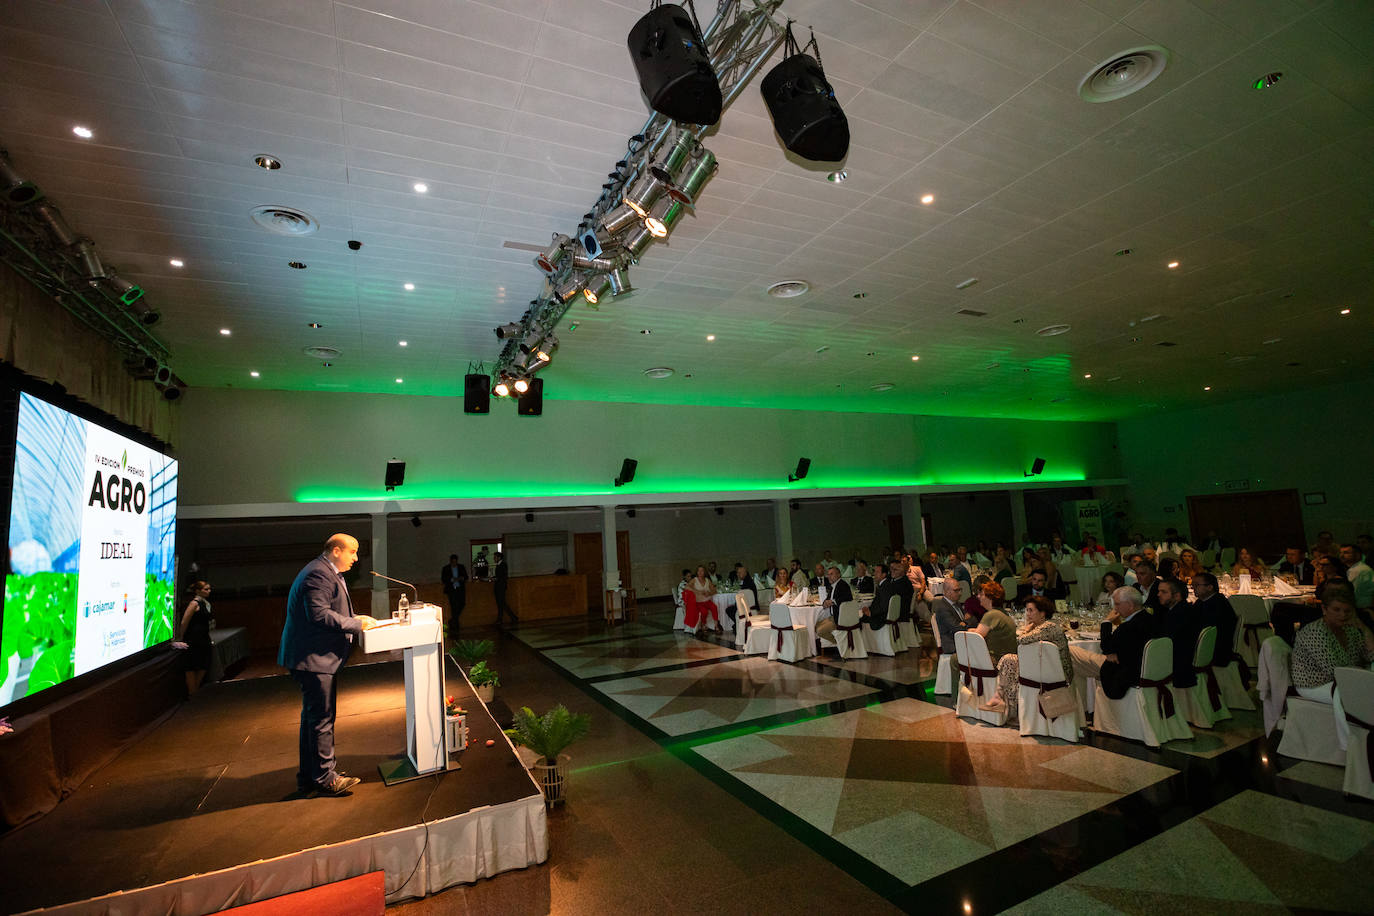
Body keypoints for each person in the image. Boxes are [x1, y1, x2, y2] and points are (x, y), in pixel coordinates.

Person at [279, 534, 375, 797]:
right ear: (336, 551)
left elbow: (330, 609)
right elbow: (319, 614)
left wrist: (357, 617)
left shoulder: (324, 571)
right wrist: (356, 625)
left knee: (313, 720)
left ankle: (311, 776)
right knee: (321, 720)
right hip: (313, 659)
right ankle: (325, 779)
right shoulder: (318, 574)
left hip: (314, 659)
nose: (356, 558)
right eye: (352, 552)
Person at [986, 595, 1072, 716]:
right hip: (1044, 668)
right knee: (1010, 660)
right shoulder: (1039, 627)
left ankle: (1005, 703)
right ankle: (1003, 700)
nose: (1027, 614)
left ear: (1042, 613)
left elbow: (1021, 640)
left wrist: (1026, 629)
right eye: (1027, 610)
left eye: (1031, 610)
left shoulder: (1048, 627)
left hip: (1058, 673)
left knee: (1009, 660)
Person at [1291, 582, 1374, 704]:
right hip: (1314, 685)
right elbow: (1335, 671)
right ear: (1324, 609)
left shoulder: (1350, 629)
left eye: (1347, 611)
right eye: (1336, 610)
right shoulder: (1315, 632)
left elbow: (1369, 657)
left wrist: (1364, 629)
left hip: (1345, 680)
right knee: (1361, 697)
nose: (1342, 615)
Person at [1070, 587, 1153, 699]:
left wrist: (1107, 621)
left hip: (1123, 672)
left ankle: (1081, 705)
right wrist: (1112, 651)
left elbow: (1106, 646)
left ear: (1130, 605)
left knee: (1071, 651)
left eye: (1118, 604)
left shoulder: (1128, 627)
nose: (1115, 608)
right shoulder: (1151, 619)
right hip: (1144, 669)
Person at [1153, 578, 1200, 689]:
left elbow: (1165, 643)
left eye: (1164, 592)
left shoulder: (1178, 615)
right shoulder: (1183, 609)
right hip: (1183, 659)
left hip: (1179, 665)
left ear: (1177, 596)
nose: (1158, 594)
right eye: (1159, 591)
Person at [174, 580, 214, 695]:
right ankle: (193, 692)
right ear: (198, 591)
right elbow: (184, 622)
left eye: (209, 589)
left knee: (204, 664)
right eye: (206, 589)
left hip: (203, 638)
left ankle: (195, 690)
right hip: (193, 639)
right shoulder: (194, 604)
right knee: (191, 666)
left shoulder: (206, 603)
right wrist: (180, 637)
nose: (209, 591)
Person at [1191, 572, 1237, 667]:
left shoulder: (1218, 605)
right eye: (1193, 585)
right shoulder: (1203, 601)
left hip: (1215, 650)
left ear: (1210, 587)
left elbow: (1203, 629)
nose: (1193, 587)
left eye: (1197, 585)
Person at [972, 582, 1016, 662]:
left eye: (982, 594)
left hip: (995, 660)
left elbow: (975, 639)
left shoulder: (991, 615)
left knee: (955, 659)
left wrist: (969, 631)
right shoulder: (1002, 613)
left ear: (990, 598)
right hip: (1007, 659)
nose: (978, 596)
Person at [934, 576, 970, 656]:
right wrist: (964, 623)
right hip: (952, 644)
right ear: (946, 591)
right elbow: (957, 628)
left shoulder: (956, 603)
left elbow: (972, 619)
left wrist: (963, 623)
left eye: (960, 590)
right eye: (956, 590)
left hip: (961, 640)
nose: (960, 593)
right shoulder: (943, 608)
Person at [1338, 544, 1373, 609]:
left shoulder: (1357, 570)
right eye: (1340, 553)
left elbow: (1351, 594)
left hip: (1361, 608)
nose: (1341, 556)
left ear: (1357, 555)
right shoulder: (1358, 568)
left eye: (1346, 553)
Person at [687, 565, 721, 633]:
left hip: (707, 601)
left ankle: (716, 626)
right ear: (696, 572)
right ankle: (703, 625)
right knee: (704, 611)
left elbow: (715, 590)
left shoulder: (707, 580)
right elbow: (687, 587)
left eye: (702, 571)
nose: (700, 572)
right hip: (698, 602)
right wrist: (697, 591)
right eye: (698, 571)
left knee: (714, 607)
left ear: (704, 572)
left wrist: (709, 593)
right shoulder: (694, 580)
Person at [441, 554, 468, 635]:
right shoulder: (446, 568)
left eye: (455, 562)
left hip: (460, 589)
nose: (454, 563)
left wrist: (461, 578)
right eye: (453, 562)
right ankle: (455, 624)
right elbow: (443, 579)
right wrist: (451, 579)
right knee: (453, 606)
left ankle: (453, 620)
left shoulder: (461, 567)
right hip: (451, 590)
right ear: (450, 561)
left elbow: (466, 577)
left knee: (462, 604)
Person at [493, 552, 517, 628]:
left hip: (500, 587)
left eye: (495, 557)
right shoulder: (499, 565)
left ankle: (503, 619)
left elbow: (502, 576)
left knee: (501, 603)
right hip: (499, 587)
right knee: (501, 603)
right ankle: (511, 617)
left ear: (499, 558)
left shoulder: (502, 565)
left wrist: (495, 578)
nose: (494, 558)